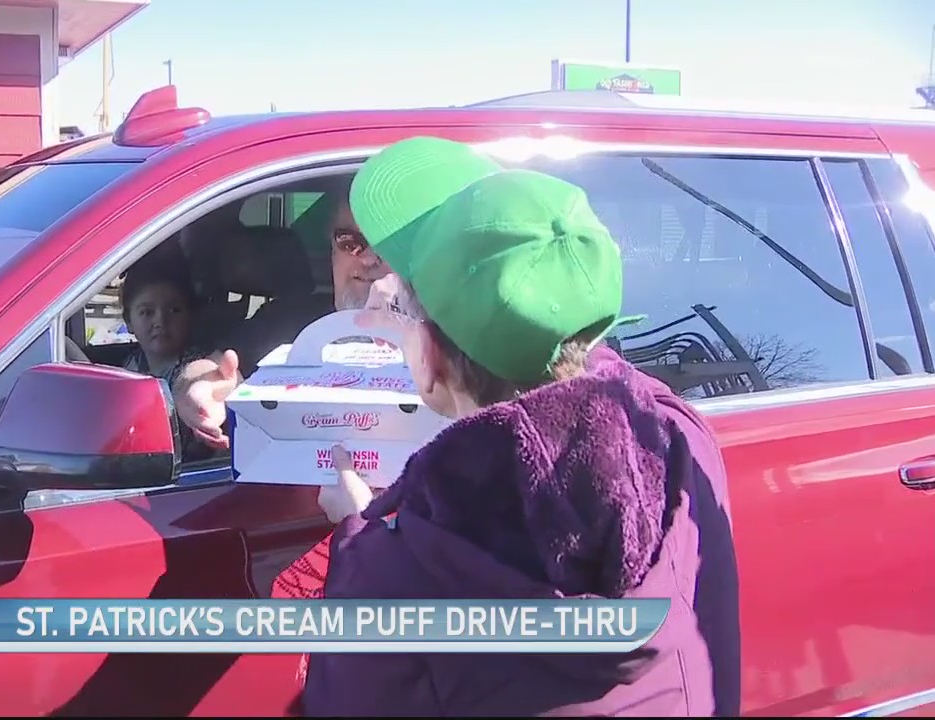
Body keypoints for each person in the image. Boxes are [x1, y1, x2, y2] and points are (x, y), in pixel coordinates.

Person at [299, 137, 742, 717]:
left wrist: (359, 531)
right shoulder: (681, 439)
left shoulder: (393, 575)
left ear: (429, 359)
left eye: (404, 314)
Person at [171, 184, 392, 449]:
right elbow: (214, 367)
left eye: (386, 243)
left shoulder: (441, 335)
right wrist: (196, 388)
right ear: (332, 251)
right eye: (350, 242)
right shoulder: (289, 322)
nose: (368, 259)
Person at [117, 261, 206, 383]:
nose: (160, 321)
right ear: (128, 321)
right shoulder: (133, 363)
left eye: (174, 310)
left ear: (190, 316)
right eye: (147, 312)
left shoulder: (196, 369)